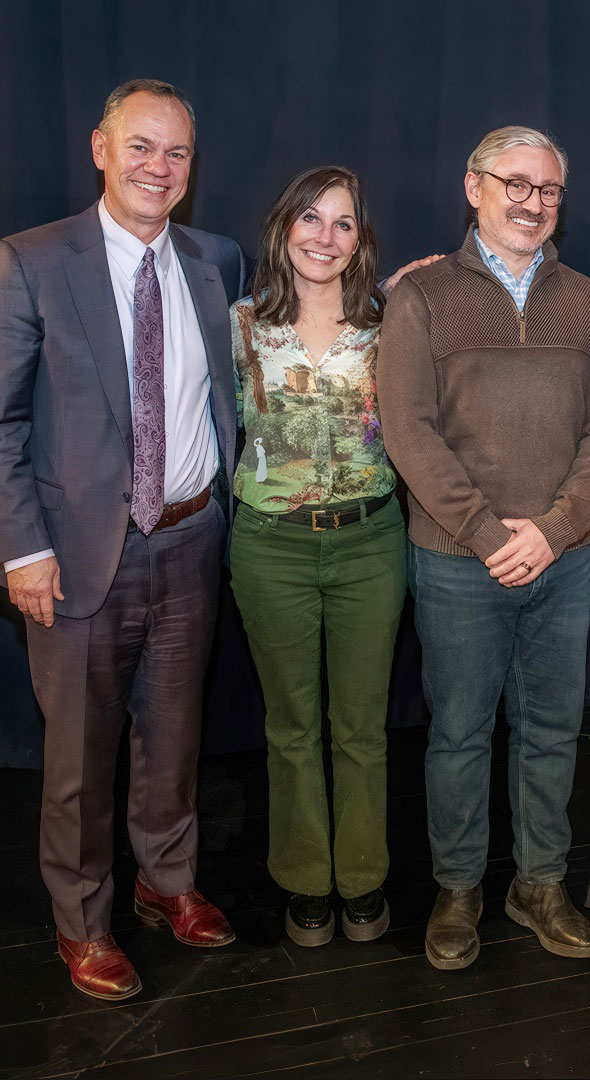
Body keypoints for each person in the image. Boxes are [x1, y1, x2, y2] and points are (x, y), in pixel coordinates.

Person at [0, 79, 243, 1002]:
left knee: (173, 735)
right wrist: (22, 549)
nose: (157, 168)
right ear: (100, 148)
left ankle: (166, 883)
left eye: (175, 153)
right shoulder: (32, 261)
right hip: (79, 557)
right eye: (140, 147)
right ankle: (83, 920)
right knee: (82, 755)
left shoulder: (216, 262)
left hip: (192, 541)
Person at [377, 125, 590, 970]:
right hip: (457, 559)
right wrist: (489, 536)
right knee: (457, 734)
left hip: (561, 560)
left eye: (549, 189)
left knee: (554, 729)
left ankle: (540, 884)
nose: (533, 202)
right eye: (515, 184)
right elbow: (408, 434)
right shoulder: (420, 300)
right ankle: (457, 891)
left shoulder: (589, 301)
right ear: (473, 187)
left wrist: (554, 531)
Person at [228, 166, 406, 948]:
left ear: (359, 239)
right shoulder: (239, 324)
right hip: (270, 549)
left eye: (342, 223)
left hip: (370, 541)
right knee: (292, 726)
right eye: (310, 218)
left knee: (362, 727)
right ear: (282, 228)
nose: (323, 237)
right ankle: (306, 883)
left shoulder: (392, 323)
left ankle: (363, 881)